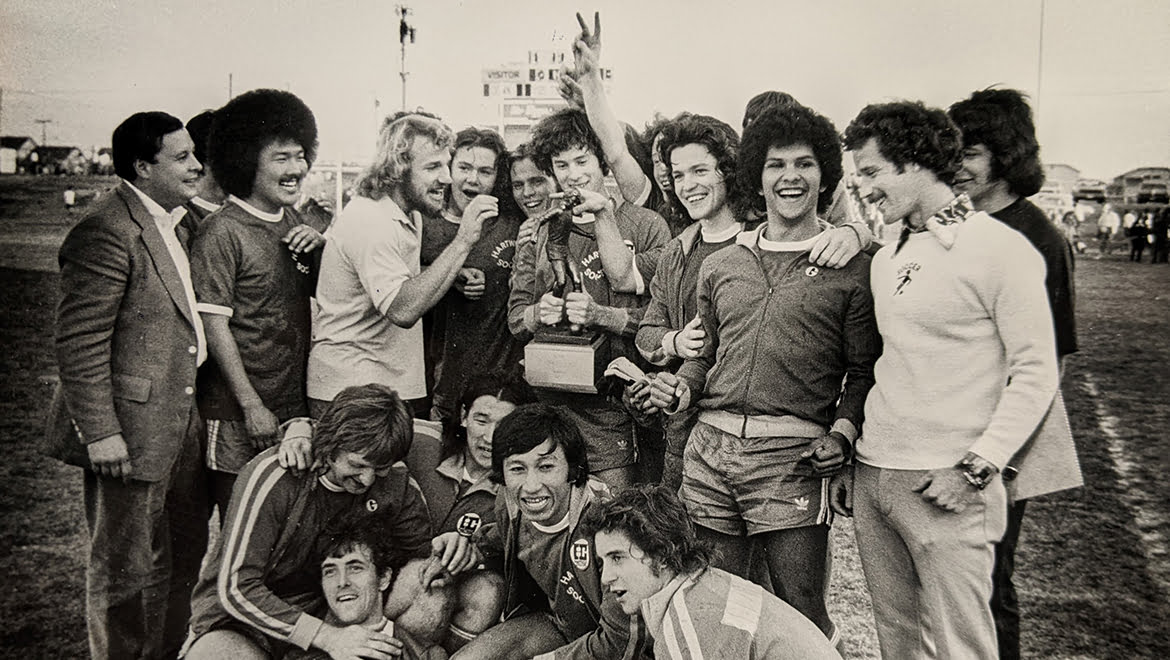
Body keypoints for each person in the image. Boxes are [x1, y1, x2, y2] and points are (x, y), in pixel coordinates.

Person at [643, 104, 880, 646]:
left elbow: (864, 372)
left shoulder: (853, 267)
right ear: (757, 174)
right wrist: (682, 385)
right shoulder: (722, 262)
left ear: (826, 176)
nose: (790, 177)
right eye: (776, 164)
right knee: (715, 603)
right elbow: (705, 357)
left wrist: (842, 434)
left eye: (805, 164)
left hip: (790, 462)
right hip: (709, 454)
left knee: (800, 612)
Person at [839, 101, 1059, 658]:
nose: (863, 188)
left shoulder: (1000, 249)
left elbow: (1035, 371)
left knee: (962, 647)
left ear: (915, 162)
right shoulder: (889, 256)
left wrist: (978, 467)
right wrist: (859, 466)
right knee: (898, 641)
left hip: (948, 485)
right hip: (874, 475)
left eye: (870, 172)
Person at [45, 110, 208, 659]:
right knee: (122, 574)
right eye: (181, 157)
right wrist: (100, 434)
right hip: (127, 434)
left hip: (179, 423)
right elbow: (79, 343)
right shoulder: (105, 231)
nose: (196, 165)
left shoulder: (175, 221)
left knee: (177, 561)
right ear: (142, 167)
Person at [186, 384, 481, 660]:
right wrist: (326, 637)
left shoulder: (396, 483)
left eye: (379, 469)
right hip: (247, 622)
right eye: (357, 465)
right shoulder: (278, 475)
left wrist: (446, 547)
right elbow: (236, 588)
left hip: (334, 609)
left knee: (428, 582)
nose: (366, 480)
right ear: (330, 445)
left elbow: (418, 559)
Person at [949, 88, 1083, 660]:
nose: (957, 166)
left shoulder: (1037, 236)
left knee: (988, 581)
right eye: (951, 150)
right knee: (952, 585)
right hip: (946, 429)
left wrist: (998, 453)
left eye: (971, 152)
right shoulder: (952, 222)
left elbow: (1045, 364)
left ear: (1005, 157)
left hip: (1001, 442)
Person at [507, 107, 671, 489]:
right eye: (561, 165)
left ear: (604, 163)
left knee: (616, 521)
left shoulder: (646, 225)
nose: (573, 174)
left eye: (582, 160)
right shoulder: (539, 230)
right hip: (554, 407)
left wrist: (601, 315)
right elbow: (516, 320)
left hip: (617, 409)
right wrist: (537, 312)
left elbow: (660, 321)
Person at [190, 89, 327, 519]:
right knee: (238, 533)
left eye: (300, 156)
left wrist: (322, 247)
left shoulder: (296, 223)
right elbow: (215, 328)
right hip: (238, 414)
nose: (295, 170)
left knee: (278, 537)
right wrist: (251, 406)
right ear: (246, 161)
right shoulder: (221, 231)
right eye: (281, 158)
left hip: (290, 412)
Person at [308, 113, 493, 419]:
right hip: (353, 391)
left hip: (391, 385)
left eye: (446, 165)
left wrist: (450, 275)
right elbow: (402, 310)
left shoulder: (408, 214)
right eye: (432, 166)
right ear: (399, 169)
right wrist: (463, 242)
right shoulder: (371, 220)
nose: (447, 178)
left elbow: (397, 274)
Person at [452, 403, 650, 659]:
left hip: (615, 646)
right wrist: (468, 547)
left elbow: (623, 641)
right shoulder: (509, 503)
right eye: (517, 469)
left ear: (571, 468)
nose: (531, 485)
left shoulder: (609, 524)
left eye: (546, 467)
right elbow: (504, 540)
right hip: (562, 626)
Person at [583, 484, 841, 659]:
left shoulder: (687, 621)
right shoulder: (702, 586)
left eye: (617, 558)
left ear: (661, 554)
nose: (606, 578)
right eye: (602, 561)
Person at [420, 127, 527, 423]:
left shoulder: (511, 223)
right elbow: (398, 282)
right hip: (445, 386)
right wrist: (450, 275)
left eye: (485, 171)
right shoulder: (426, 225)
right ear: (449, 170)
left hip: (503, 387)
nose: (473, 179)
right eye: (464, 168)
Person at [285, 523, 447, 660]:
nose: (342, 582)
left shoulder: (426, 655)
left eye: (355, 568)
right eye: (330, 571)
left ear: (383, 578)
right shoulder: (298, 654)